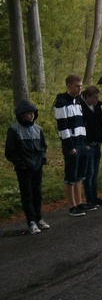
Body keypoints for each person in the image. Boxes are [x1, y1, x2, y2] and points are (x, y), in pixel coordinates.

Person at [5, 100, 49, 234]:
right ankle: (31, 221)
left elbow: (43, 146)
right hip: (24, 168)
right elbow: (10, 151)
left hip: (37, 166)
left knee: (37, 193)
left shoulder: (38, 129)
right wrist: (20, 164)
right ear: (21, 115)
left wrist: (42, 159)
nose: (30, 116)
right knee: (27, 194)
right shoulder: (14, 130)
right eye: (28, 114)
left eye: (32, 113)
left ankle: (39, 217)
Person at [54, 74, 91, 216]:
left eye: (81, 86)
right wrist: (70, 146)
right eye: (77, 86)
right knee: (71, 175)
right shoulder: (61, 102)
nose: (80, 88)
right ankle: (72, 206)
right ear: (69, 85)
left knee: (80, 175)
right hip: (72, 144)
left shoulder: (78, 102)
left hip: (81, 142)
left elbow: (81, 123)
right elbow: (62, 127)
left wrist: (85, 142)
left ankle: (79, 202)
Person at [80, 85, 102, 208]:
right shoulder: (81, 108)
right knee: (89, 172)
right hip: (87, 143)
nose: (97, 100)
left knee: (95, 172)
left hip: (97, 141)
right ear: (87, 97)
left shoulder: (97, 107)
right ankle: (89, 198)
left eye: (98, 98)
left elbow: (98, 122)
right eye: (95, 98)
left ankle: (94, 196)